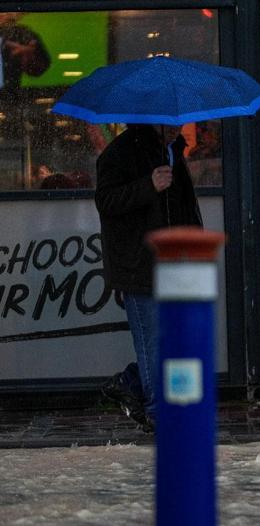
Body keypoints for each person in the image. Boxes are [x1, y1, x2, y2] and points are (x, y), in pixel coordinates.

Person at [95, 124, 202, 430]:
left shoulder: (172, 150)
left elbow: (182, 207)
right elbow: (106, 201)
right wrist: (148, 185)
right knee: (154, 339)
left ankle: (130, 381)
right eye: (169, 122)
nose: (176, 127)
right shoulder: (121, 152)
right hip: (139, 263)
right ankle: (159, 410)